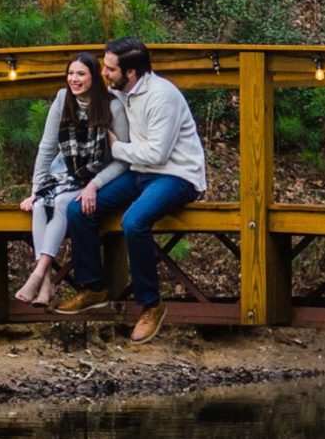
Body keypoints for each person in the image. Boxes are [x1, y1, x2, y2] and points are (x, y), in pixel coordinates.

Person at [58, 38, 208, 346]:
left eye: (110, 69)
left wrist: (117, 147)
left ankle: (151, 305)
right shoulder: (119, 91)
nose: (104, 73)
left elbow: (157, 155)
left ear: (132, 72)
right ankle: (94, 288)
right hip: (139, 173)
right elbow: (82, 93)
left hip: (176, 175)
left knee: (133, 222)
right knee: (78, 209)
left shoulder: (162, 96)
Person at [15, 52, 128, 308]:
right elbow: (47, 146)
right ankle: (44, 283)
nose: (74, 79)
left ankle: (38, 275)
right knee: (41, 204)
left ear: (94, 77)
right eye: (70, 73)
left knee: (64, 203)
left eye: (81, 74)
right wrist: (35, 189)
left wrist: (94, 184)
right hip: (64, 172)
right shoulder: (63, 98)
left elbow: (122, 159)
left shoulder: (112, 106)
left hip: (97, 175)